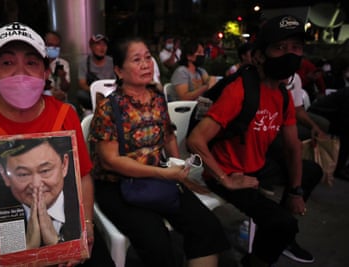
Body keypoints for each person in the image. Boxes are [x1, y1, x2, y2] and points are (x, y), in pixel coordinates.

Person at [0, 22, 114, 267]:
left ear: (45, 71)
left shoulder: (65, 114)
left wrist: (84, 229)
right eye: (7, 63)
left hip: (66, 247)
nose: (20, 73)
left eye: (31, 63)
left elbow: (82, 177)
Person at [187, 15, 320, 267]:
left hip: (256, 166)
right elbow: (195, 140)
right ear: (259, 56)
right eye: (280, 48)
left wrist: (295, 192)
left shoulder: (282, 95)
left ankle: (277, 234)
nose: (290, 55)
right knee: (284, 224)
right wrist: (225, 178)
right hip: (226, 171)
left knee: (310, 172)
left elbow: (292, 147)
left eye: (296, 48)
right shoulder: (239, 90)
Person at [89, 36, 229, 267]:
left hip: (159, 177)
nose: (146, 64)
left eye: (147, 57)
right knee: (158, 243)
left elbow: (168, 136)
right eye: (136, 59)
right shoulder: (109, 107)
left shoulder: (156, 99)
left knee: (207, 227)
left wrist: (177, 167)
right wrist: (163, 174)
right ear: (119, 71)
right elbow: (111, 161)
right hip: (118, 185)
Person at [0, 137, 81, 249]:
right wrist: (28, 248)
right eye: (23, 174)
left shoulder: (81, 204)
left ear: (64, 165)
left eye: (45, 171)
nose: (36, 184)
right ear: (4, 175)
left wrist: (56, 243)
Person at [77, 34, 115, 112]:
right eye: (98, 44)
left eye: (104, 45)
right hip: (92, 94)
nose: (102, 47)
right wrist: (95, 92)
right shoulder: (84, 62)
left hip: (110, 93)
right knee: (80, 94)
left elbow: (118, 81)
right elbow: (82, 84)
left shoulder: (112, 62)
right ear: (91, 47)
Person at [44, 30, 71, 102]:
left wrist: (63, 78)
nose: (53, 48)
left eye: (56, 46)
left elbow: (66, 89)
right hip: (43, 98)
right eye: (50, 45)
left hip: (60, 99)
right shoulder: (37, 62)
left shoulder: (63, 63)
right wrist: (51, 92)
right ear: (44, 45)